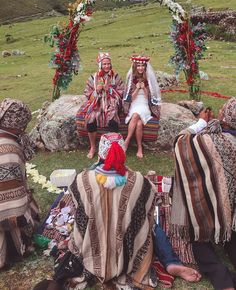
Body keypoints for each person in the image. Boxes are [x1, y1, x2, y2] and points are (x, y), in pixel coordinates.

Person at [46, 132, 200, 290]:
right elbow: (147, 214)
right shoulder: (141, 182)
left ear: (100, 154)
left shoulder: (81, 180)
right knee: (152, 225)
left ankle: (100, 258)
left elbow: (80, 217)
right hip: (128, 256)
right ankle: (171, 262)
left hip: (92, 251)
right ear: (123, 154)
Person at [170, 97, 236, 290]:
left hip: (208, 210)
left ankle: (222, 280)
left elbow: (180, 143)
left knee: (197, 233)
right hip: (231, 213)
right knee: (230, 237)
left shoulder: (208, 140)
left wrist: (200, 123)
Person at [0, 98, 39, 269]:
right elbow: (11, 203)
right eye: (23, 125)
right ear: (16, 125)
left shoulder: (8, 139)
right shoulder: (9, 152)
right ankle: (12, 244)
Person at [77, 52, 124, 159]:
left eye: (108, 64)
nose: (107, 66)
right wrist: (96, 91)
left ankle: (113, 148)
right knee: (91, 118)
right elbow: (87, 93)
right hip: (97, 103)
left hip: (111, 102)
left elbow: (122, 92)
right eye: (104, 64)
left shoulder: (115, 76)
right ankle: (93, 147)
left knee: (112, 117)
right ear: (100, 65)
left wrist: (110, 90)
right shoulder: (93, 78)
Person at [123, 54, 161, 158]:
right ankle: (140, 147)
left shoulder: (148, 79)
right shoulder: (132, 79)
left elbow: (150, 97)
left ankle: (127, 141)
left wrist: (144, 88)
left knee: (135, 115)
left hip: (144, 104)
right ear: (135, 67)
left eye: (142, 66)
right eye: (138, 66)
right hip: (135, 104)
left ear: (145, 67)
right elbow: (130, 98)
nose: (140, 68)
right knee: (139, 124)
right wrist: (137, 89)